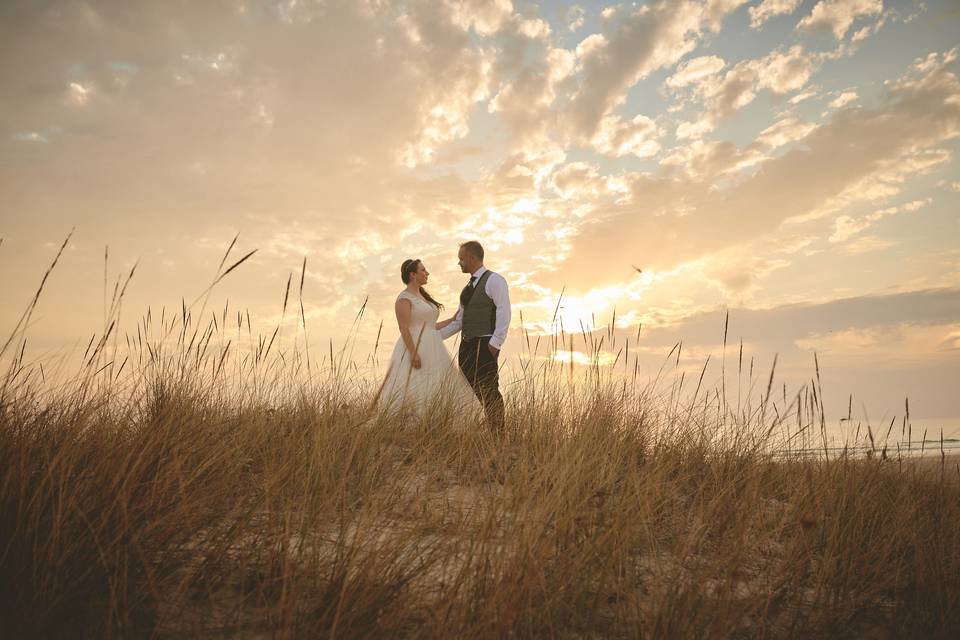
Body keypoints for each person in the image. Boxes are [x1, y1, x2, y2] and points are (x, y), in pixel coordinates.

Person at [377, 259, 477, 416]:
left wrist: (452, 320)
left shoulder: (422, 296)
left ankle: (434, 418)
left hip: (433, 346)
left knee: (436, 383)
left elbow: (430, 326)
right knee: (417, 384)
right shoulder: (404, 298)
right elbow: (404, 328)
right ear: (413, 275)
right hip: (415, 346)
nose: (427, 273)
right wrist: (413, 353)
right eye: (423, 270)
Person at [438, 241, 511, 435]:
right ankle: (480, 431)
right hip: (466, 346)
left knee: (489, 391)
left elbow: (504, 312)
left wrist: (495, 343)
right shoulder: (466, 289)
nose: (459, 263)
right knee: (469, 391)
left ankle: (498, 435)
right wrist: (433, 338)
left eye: (461, 258)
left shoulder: (495, 280)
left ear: (472, 257)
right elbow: (459, 321)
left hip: (485, 344)